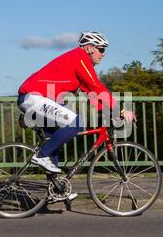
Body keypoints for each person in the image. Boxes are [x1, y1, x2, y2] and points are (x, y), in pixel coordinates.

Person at [17, 31, 136, 174]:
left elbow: (91, 93)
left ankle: (56, 191)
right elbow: (96, 87)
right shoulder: (80, 57)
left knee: (53, 144)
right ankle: (40, 156)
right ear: (90, 48)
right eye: (101, 49)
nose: (103, 54)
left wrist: (110, 112)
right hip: (34, 98)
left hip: (37, 99)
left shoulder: (79, 61)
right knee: (77, 123)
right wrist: (120, 110)